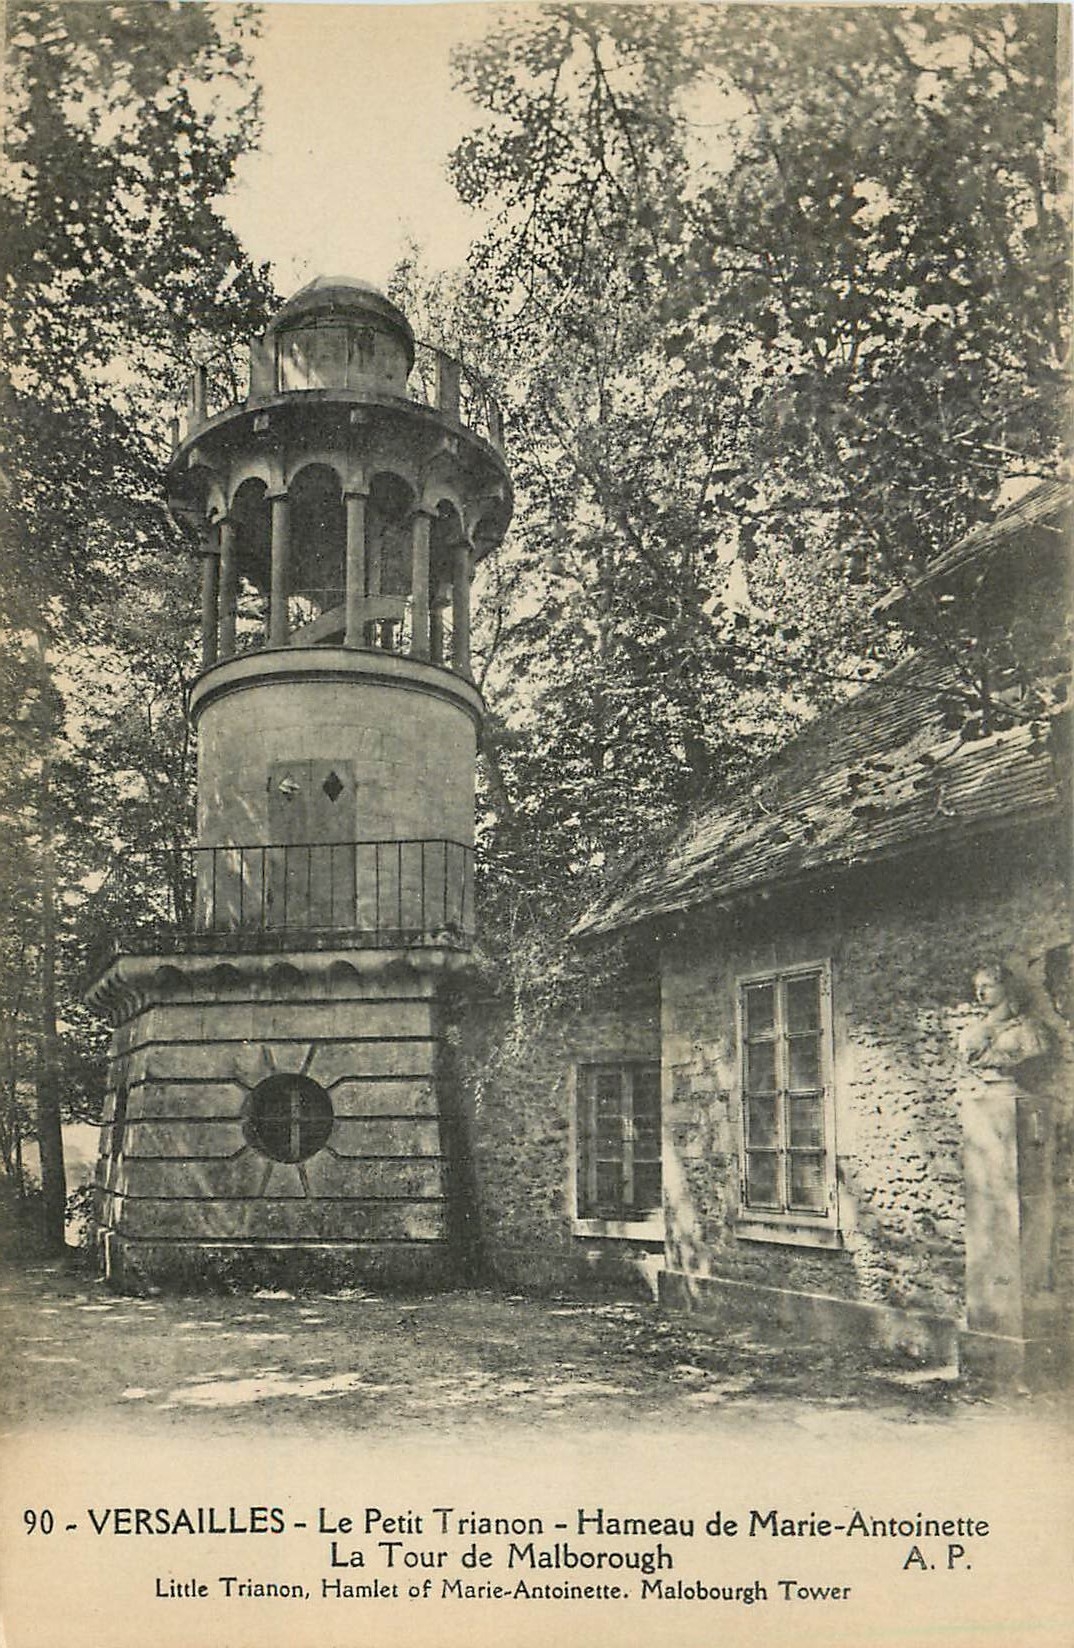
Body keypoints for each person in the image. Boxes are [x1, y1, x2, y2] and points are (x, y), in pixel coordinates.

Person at [958, 962, 1052, 1075]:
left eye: (988, 986)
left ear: (1005, 987)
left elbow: (1035, 1055)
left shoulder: (1029, 1028)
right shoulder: (970, 1031)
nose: (980, 993)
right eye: (978, 987)